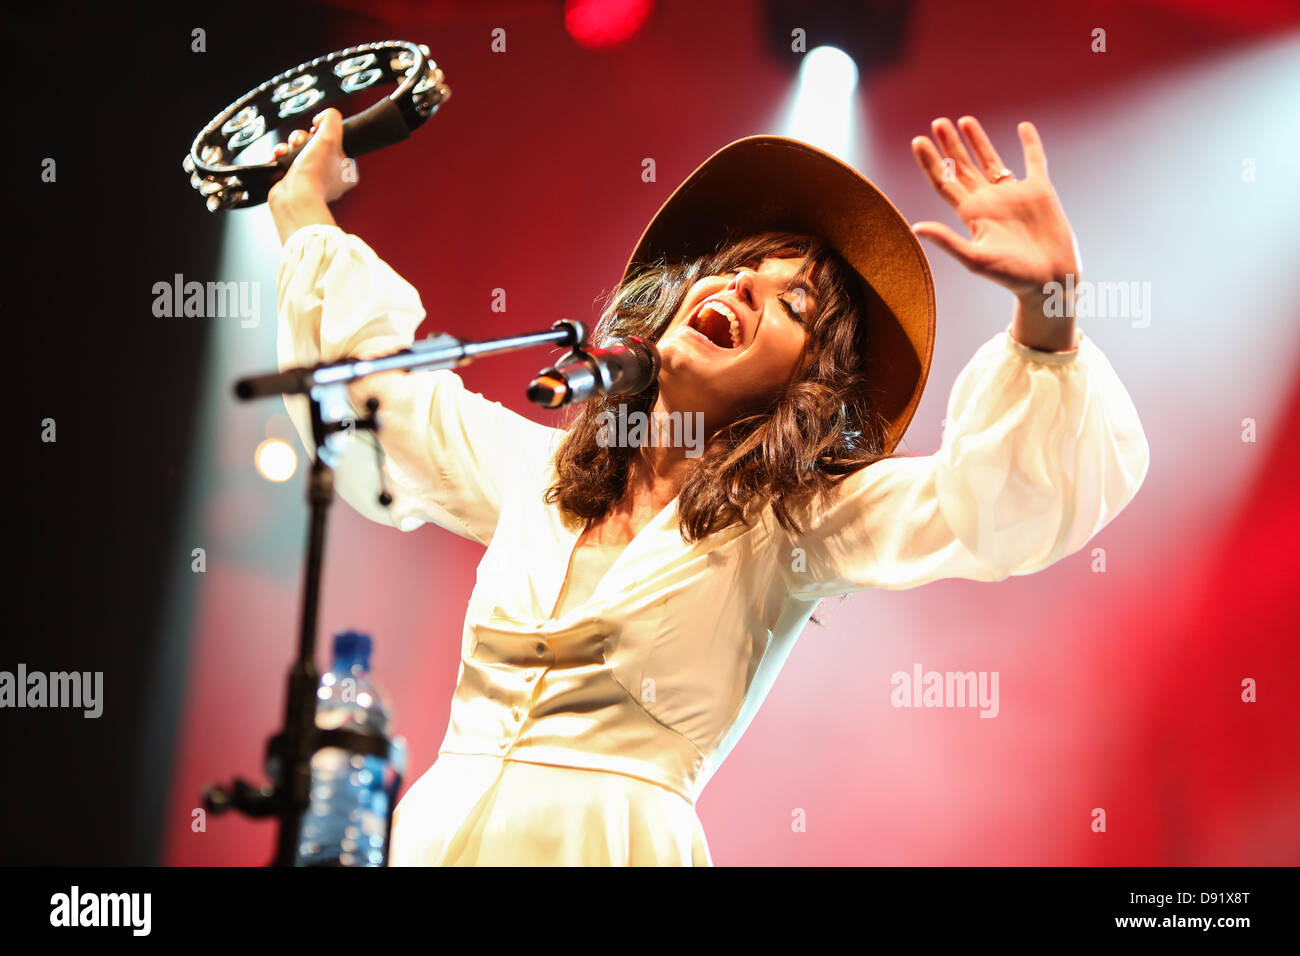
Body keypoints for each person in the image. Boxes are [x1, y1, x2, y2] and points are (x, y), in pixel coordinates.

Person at [267, 109, 1149, 865]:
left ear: (804, 383)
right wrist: (303, 209)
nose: (743, 287)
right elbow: (374, 401)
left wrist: (1049, 313)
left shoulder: (796, 527)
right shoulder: (535, 473)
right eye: (737, 269)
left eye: (793, 305)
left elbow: (992, 504)